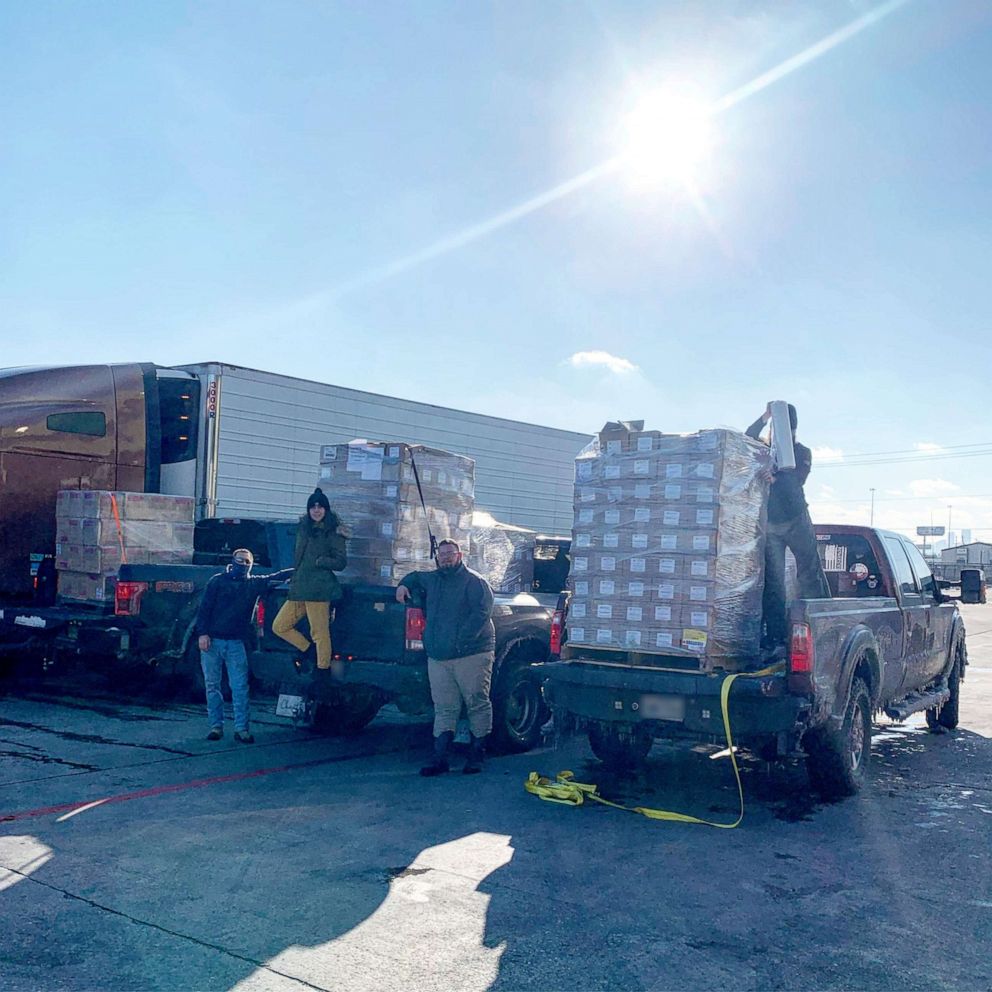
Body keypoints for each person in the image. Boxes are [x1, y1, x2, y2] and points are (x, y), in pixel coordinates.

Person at [396, 539, 495, 776]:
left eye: (450, 554)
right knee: (444, 707)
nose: (446, 558)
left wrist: (459, 641)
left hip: (471, 655)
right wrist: (402, 585)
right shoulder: (432, 579)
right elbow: (414, 577)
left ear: (459, 555)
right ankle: (439, 758)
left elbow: (481, 614)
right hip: (439, 657)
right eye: (442, 554)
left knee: (476, 702)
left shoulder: (475, 582)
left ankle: (476, 756)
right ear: (437, 557)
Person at [746, 403, 830, 654]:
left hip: (796, 520)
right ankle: (776, 638)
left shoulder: (802, 452)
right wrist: (764, 416)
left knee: (809, 573)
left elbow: (797, 480)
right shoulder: (764, 448)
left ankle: (822, 627)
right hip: (771, 524)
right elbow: (747, 437)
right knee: (774, 584)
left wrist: (776, 478)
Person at [194, 548, 293, 743]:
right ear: (232, 560)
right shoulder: (217, 581)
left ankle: (242, 729)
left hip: (236, 643)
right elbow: (204, 608)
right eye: (240, 560)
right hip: (212, 642)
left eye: (247, 561)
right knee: (212, 686)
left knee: (239, 687)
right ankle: (216, 726)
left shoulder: (253, 584)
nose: (243, 564)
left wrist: (300, 569)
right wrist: (202, 634)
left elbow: (277, 576)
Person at [272, 488, 348, 679]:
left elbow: (341, 562)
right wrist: (295, 576)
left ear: (326, 509)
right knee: (280, 626)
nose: (316, 510)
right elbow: (299, 558)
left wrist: (320, 561)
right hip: (299, 587)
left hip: (319, 589)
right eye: (313, 507)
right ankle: (310, 652)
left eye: (320, 507)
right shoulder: (303, 529)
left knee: (320, 632)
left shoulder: (333, 531)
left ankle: (322, 670)